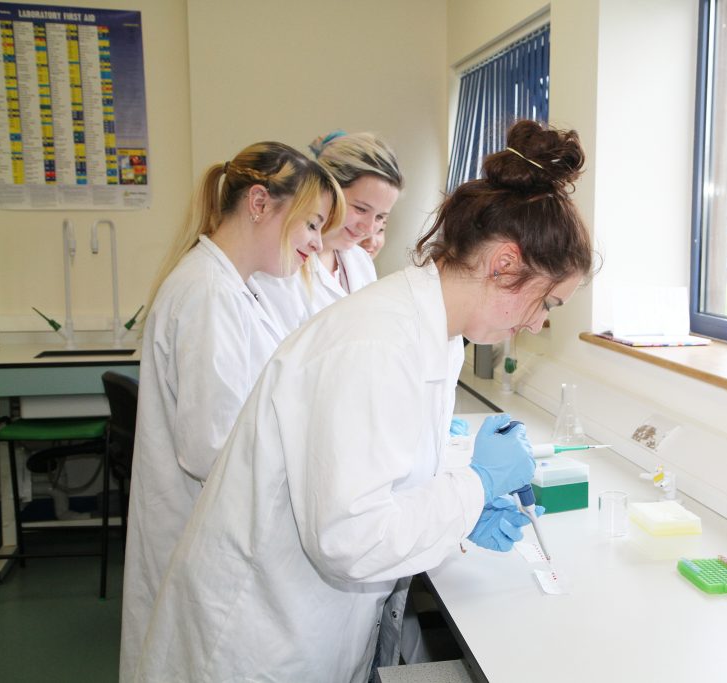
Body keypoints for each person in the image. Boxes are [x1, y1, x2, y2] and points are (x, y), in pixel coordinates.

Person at [134, 120, 595, 683]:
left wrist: (463, 508)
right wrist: (473, 489)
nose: (541, 321)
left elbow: (385, 469)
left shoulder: (436, 332)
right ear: (503, 263)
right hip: (258, 637)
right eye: (549, 301)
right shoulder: (376, 341)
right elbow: (348, 538)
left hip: (310, 619)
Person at [120, 142, 343, 683]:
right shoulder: (208, 293)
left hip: (208, 534)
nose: (317, 242)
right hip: (198, 537)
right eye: (312, 224)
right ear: (260, 203)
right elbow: (209, 446)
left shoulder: (234, 288)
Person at [254, 130, 402, 334]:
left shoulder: (361, 262)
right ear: (327, 189)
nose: (369, 229)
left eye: (380, 217)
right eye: (360, 209)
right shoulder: (281, 266)